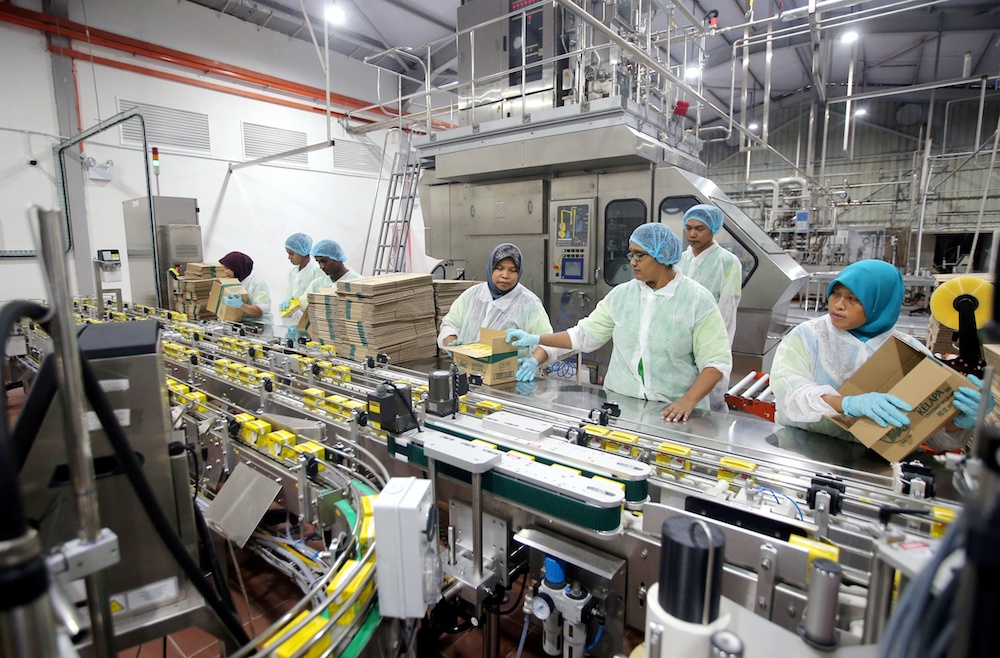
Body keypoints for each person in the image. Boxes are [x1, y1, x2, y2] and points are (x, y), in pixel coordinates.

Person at [506, 224, 732, 421]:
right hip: (621, 405)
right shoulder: (622, 295)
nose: (632, 262)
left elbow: (716, 363)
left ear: (662, 256)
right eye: (630, 254)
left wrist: (688, 401)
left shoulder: (696, 299)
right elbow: (583, 336)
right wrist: (538, 339)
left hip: (673, 411)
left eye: (639, 255)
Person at [770, 259, 992, 448]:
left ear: (881, 303)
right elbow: (791, 395)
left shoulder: (909, 352)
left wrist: (959, 422)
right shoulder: (808, 336)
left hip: (871, 461)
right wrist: (847, 403)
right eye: (836, 293)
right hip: (799, 445)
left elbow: (929, 433)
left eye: (854, 298)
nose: (838, 305)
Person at [438, 243, 555, 382]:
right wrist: (452, 345)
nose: (505, 275)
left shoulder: (529, 303)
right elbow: (449, 324)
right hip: (466, 374)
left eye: (512, 270)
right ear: (490, 269)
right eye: (499, 268)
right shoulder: (472, 295)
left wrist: (533, 361)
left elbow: (547, 341)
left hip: (508, 379)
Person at [677, 204, 744, 411]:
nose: (693, 234)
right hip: (678, 336)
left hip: (709, 336)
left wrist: (712, 340)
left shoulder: (727, 262)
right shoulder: (680, 259)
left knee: (708, 396)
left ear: (713, 229)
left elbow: (727, 309)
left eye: (699, 228)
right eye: (688, 228)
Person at [278, 233, 326, 338]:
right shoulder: (293, 273)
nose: (289, 257)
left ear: (302, 251)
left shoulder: (317, 271)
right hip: (293, 324)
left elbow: (316, 302)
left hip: (311, 327)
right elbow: (289, 297)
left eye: (291, 254)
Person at [218, 251, 273, 334]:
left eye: (227, 268)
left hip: (260, 329)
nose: (225, 272)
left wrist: (241, 305)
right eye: (224, 268)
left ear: (237, 267)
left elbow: (258, 312)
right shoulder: (233, 283)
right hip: (242, 326)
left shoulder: (257, 285)